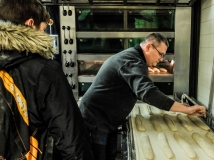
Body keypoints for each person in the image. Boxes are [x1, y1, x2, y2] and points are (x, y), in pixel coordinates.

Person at [0, 0, 93, 159]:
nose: (44, 35)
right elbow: (70, 139)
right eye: (43, 30)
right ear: (30, 24)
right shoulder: (44, 70)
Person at [79, 32, 206, 160]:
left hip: (106, 120)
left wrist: (178, 106)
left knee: (110, 156)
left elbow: (138, 89)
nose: (161, 58)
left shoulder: (133, 57)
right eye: (160, 54)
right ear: (149, 47)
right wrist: (186, 109)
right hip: (94, 121)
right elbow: (148, 93)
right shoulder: (132, 61)